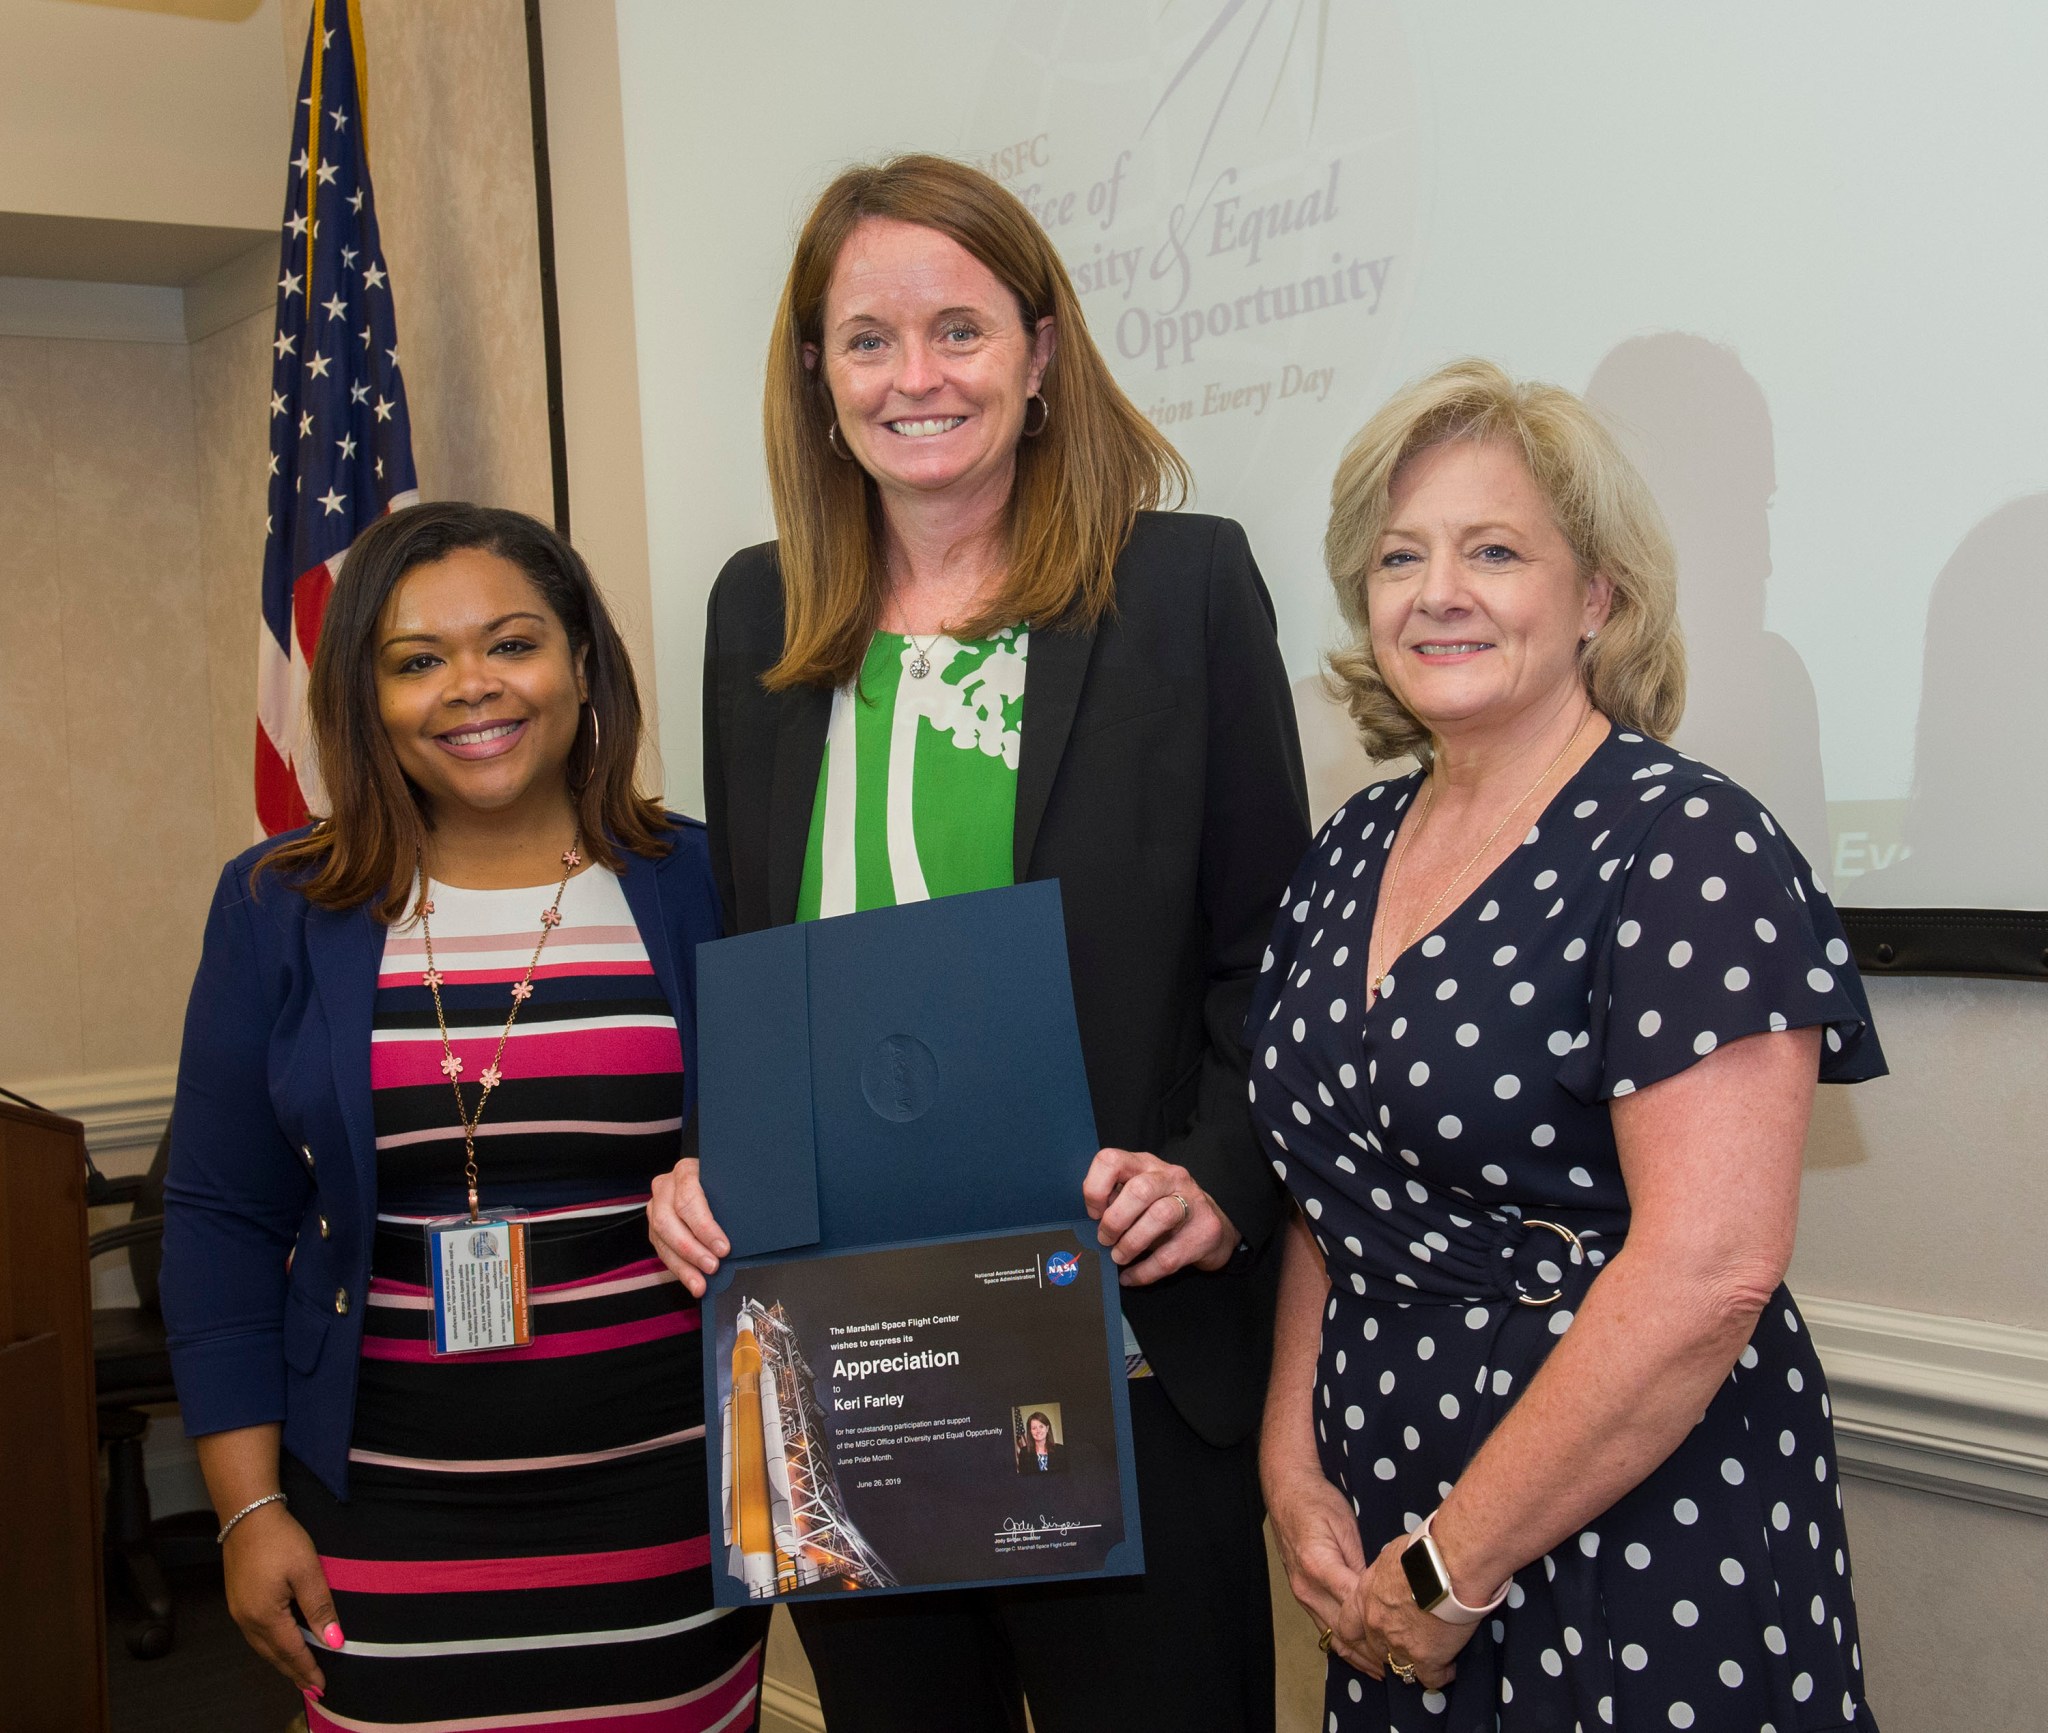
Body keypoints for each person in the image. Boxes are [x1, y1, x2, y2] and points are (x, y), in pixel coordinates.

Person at [648, 154, 1309, 1733]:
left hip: (1124, 1346)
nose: (916, 375)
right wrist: (704, 1165)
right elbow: (763, 968)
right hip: (844, 1365)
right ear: (815, 375)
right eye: (866, 337)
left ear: (1042, 349)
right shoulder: (762, 614)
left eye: (960, 328)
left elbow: (1270, 957)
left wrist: (1218, 1178)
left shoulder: (1182, 588)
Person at [1255, 360, 1886, 1731]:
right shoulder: (1349, 848)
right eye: (1401, 555)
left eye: (1495, 550)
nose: (1440, 590)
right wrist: (1289, 1462)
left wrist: (1453, 1564)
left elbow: (1711, 1273)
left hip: (1633, 1521)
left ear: (1597, 595)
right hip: (1385, 1531)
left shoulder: (1686, 844)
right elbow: (1327, 1188)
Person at [161, 504, 769, 1728]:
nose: (470, 688)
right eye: (416, 660)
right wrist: (245, 1507)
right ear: (364, 696)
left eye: (512, 642)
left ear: (581, 662)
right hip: (383, 1515)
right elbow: (221, 1216)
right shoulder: (283, 907)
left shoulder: (702, 880)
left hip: (668, 1507)